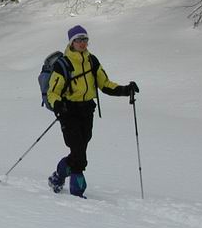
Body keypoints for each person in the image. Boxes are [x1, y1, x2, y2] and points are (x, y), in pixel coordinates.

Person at [46, 25, 139, 198]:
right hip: (68, 112)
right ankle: (77, 193)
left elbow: (105, 84)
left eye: (85, 40)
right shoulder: (62, 64)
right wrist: (58, 105)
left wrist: (126, 89)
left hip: (87, 110)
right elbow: (52, 92)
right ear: (72, 42)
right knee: (78, 153)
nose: (82, 43)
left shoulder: (92, 61)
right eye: (78, 40)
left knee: (80, 149)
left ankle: (58, 176)